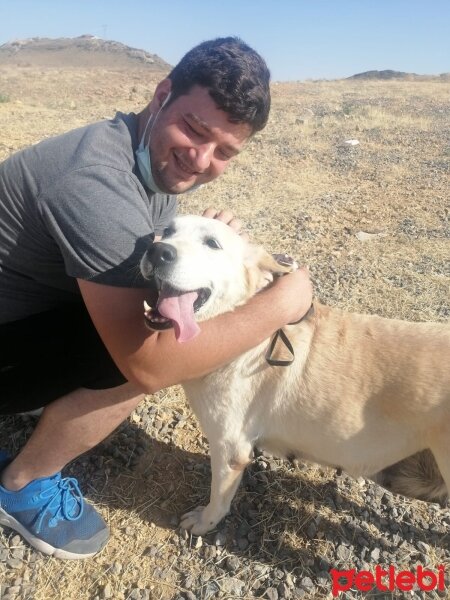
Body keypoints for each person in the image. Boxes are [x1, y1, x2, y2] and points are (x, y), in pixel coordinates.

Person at [0, 37, 312, 559]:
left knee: (147, 312)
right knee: (147, 347)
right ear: (161, 93)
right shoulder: (95, 183)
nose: (201, 160)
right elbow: (152, 369)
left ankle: (36, 399)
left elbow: (143, 249)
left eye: (225, 153)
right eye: (194, 130)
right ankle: (20, 486)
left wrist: (203, 242)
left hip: (23, 313)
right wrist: (280, 305)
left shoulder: (139, 152)